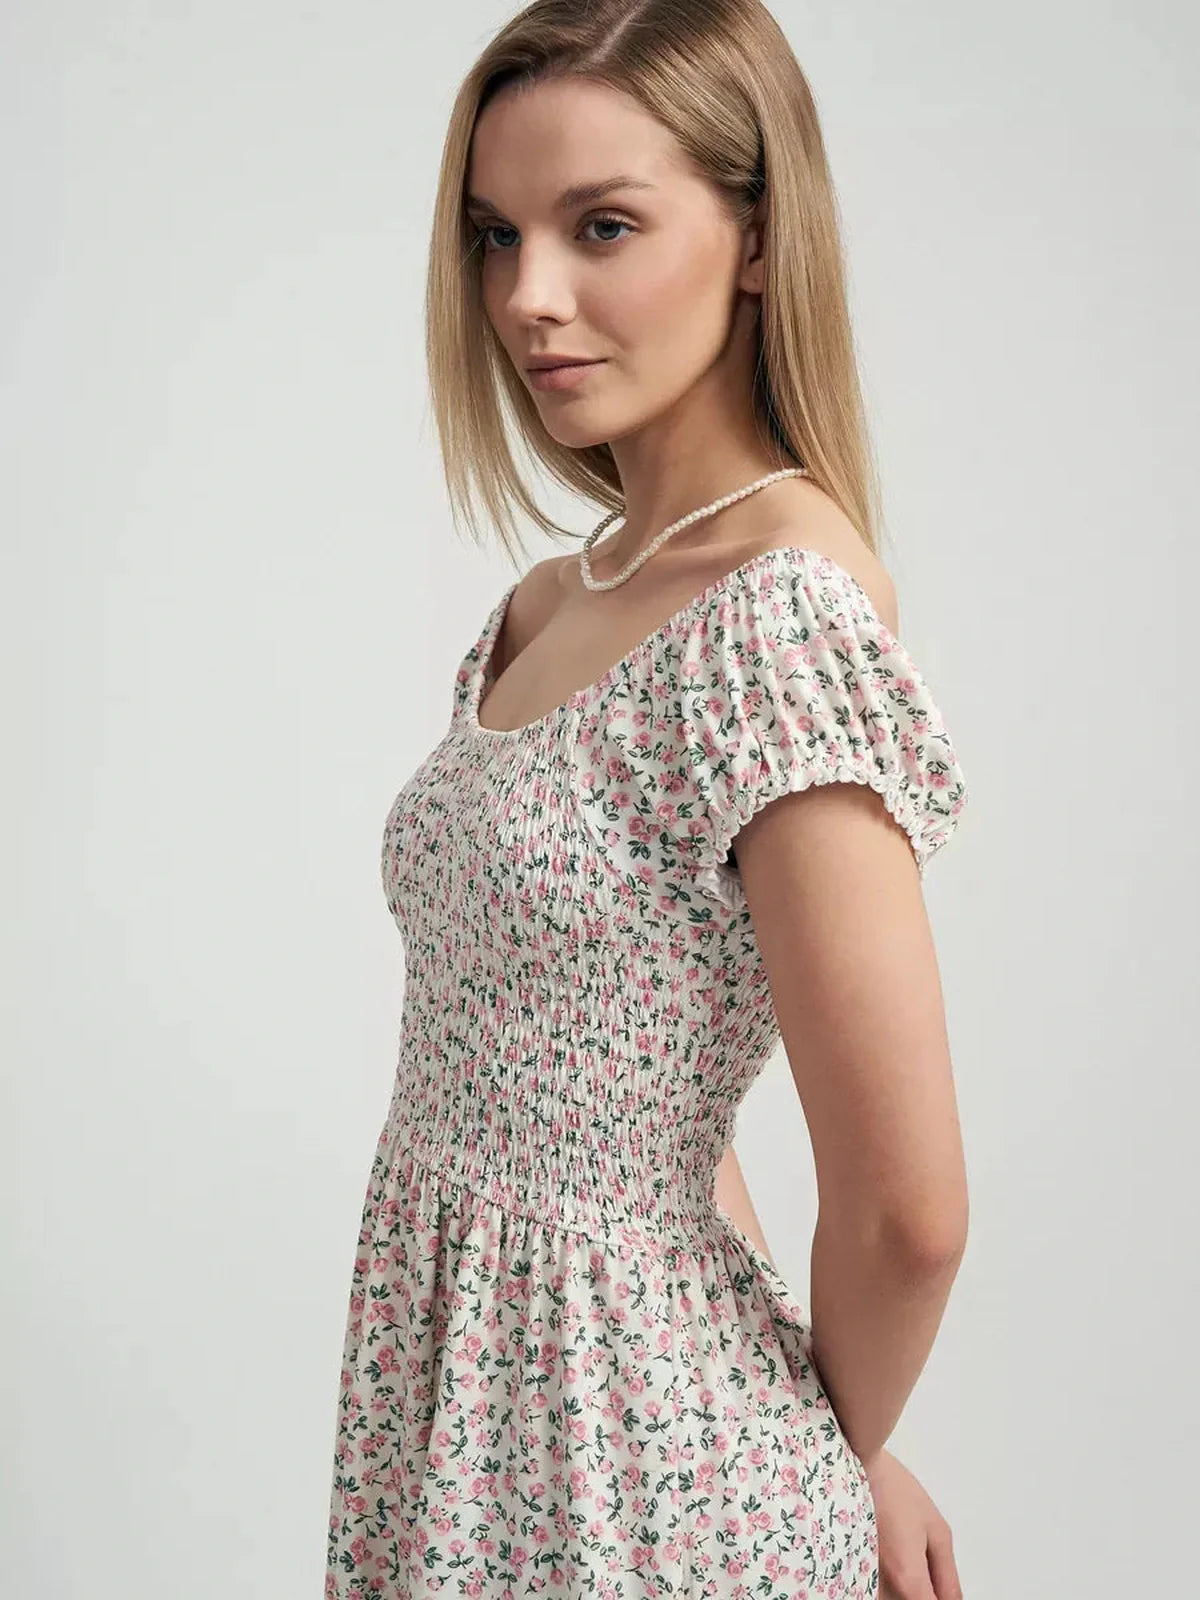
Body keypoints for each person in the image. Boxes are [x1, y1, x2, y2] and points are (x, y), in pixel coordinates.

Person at [325, 2, 970, 1596]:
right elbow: (651, 1083)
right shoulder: (560, 599)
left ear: (756, 238)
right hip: (470, 1401)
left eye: (601, 226)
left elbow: (910, 1212)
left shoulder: (777, 619)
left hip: (636, 1470)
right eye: (496, 234)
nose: (526, 297)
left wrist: (832, 1449)